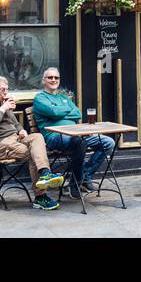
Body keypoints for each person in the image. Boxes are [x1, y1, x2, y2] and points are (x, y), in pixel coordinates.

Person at [0, 74, 65, 210]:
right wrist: (3, 108)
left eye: (7, 89)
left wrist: (21, 130)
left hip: (15, 140)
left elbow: (15, 124)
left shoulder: (2, 104)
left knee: (37, 137)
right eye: (2, 89)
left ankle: (45, 173)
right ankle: (40, 197)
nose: (6, 92)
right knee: (34, 153)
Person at [31, 67, 115, 195]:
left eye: (56, 78)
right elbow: (53, 112)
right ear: (43, 80)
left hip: (77, 133)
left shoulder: (63, 98)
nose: (53, 80)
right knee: (79, 142)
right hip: (55, 136)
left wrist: (60, 111)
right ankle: (75, 184)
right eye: (50, 77)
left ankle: (85, 176)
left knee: (108, 142)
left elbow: (77, 114)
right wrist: (63, 110)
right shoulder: (40, 98)